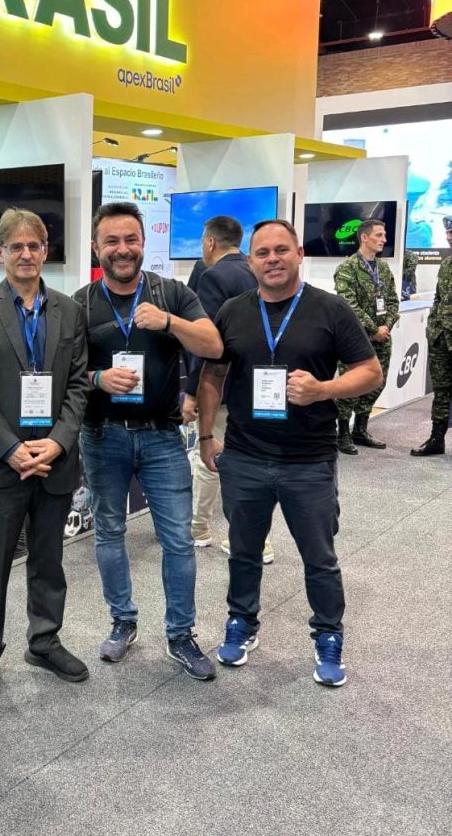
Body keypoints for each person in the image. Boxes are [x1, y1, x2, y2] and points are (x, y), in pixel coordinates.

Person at [197, 220, 381, 687]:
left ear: (299, 254)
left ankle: (328, 634)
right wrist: (205, 436)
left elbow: (370, 370)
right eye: (263, 253)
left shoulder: (330, 309)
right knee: (244, 551)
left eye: (282, 250)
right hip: (245, 454)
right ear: (251, 261)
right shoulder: (233, 311)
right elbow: (212, 376)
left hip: (309, 459)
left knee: (319, 557)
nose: (272, 259)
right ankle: (242, 622)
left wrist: (323, 390)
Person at [73, 202, 222, 679]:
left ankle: (180, 634)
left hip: (161, 436)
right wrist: (98, 378)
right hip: (102, 435)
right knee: (109, 533)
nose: (122, 249)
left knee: (178, 539)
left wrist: (169, 323)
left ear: (143, 243)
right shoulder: (80, 304)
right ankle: (123, 621)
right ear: (96, 248)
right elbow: (66, 375)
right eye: (111, 241)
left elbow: (213, 344)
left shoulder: (171, 293)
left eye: (130, 240)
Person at [0, 209, 89, 703]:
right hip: (2, 463)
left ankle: (44, 641)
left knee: (49, 561)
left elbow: (78, 384)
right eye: (15, 246)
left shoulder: (69, 311)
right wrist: (10, 447)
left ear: (45, 250)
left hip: (55, 460)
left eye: (33, 245)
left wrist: (59, 441)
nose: (25, 254)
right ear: (0, 253)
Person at [181, 216, 273, 564]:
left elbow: (206, 343)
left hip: (221, 385)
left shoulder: (213, 276)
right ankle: (256, 537)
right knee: (253, 458)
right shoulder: (255, 271)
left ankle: (200, 529)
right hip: (257, 386)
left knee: (209, 453)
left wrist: (192, 392)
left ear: (209, 243)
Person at [333, 218, 399, 454]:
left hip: (383, 337)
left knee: (376, 384)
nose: (384, 239)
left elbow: (393, 301)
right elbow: (349, 306)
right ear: (364, 237)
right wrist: (373, 330)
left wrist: (386, 327)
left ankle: (360, 429)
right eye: (379, 235)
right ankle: (342, 433)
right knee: (350, 387)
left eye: (384, 235)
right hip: (354, 340)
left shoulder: (383, 268)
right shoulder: (347, 268)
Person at [411, 215, 452, 456]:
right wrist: (432, 327)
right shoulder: (446, 264)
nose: (449, 237)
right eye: (448, 233)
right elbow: (439, 299)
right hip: (441, 338)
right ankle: (437, 439)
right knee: (441, 391)